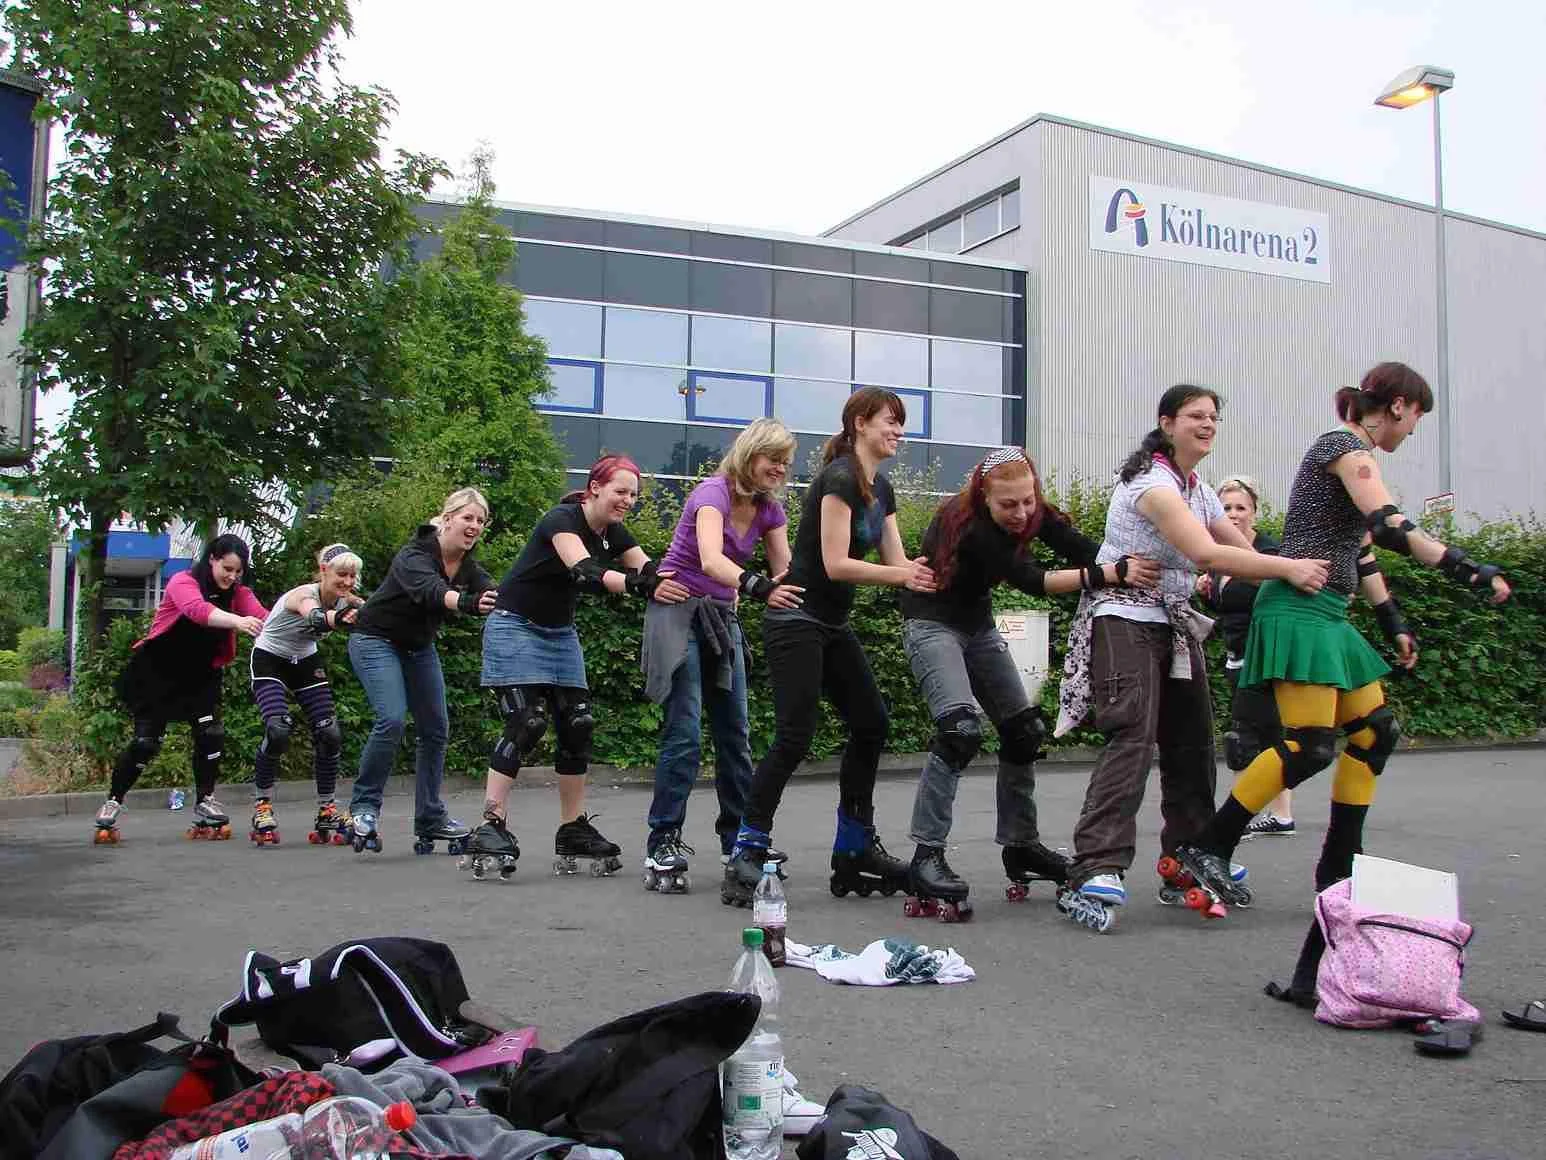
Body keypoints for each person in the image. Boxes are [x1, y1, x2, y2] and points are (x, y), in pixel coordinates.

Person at [1175, 362, 1511, 1003]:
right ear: (1402, 405)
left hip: (1328, 614)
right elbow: (1387, 523)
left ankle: (1339, 868)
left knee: (1375, 732)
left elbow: (1361, 549)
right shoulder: (1345, 447)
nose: (1414, 431)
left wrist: (1393, 618)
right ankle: (1209, 845)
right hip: (1298, 612)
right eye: (1417, 418)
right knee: (1307, 745)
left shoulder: (1354, 457)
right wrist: (1466, 567)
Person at [1052, 385, 1330, 932]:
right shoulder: (1152, 484)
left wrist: (1303, 574)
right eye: (1195, 416)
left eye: (1213, 417)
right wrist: (1290, 569)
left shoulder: (1198, 490)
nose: (1207, 425)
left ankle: (1191, 855)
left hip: (1173, 622)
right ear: (1167, 423)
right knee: (1132, 734)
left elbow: (1244, 554)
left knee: (1192, 742)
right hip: (1125, 617)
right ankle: (1095, 866)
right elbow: (1205, 553)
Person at [899, 446, 1161, 919]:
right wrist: (1112, 575)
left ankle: (1021, 846)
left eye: (1028, 501)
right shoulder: (973, 526)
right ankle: (926, 854)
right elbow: (1032, 580)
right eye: (1008, 505)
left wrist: (1138, 562)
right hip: (931, 625)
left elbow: (1082, 548)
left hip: (977, 627)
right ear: (984, 498)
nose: (1021, 514)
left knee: (1024, 732)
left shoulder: (1031, 512)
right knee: (960, 732)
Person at [721, 387, 937, 908]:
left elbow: (898, 560)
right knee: (795, 735)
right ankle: (746, 852)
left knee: (872, 723)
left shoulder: (879, 488)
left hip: (831, 622)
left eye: (901, 424)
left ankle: (854, 849)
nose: (898, 432)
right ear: (860, 423)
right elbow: (837, 563)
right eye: (891, 421)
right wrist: (905, 576)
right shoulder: (838, 477)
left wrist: (929, 574)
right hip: (796, 618)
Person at [462, 455, 690, 881]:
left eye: (633, 494)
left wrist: (688, 580)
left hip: (558, 633)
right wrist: (639, 585)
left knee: (579, 723)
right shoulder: (561, 519)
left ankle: (572, 829)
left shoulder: (615, 532)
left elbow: (649, 569)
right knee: (526, 723)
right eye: (620, 491)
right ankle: (491, 824)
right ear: (595, 489)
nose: (627, 500)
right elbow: (584, 572)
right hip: (514, 626)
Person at [639, 419, 804, 894]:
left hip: (721, 614)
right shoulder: (711, 493)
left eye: (786, 463)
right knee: (686, 730)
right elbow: (711, 560)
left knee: (736, 732)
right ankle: (663, 839)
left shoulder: (771, 510)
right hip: (677, 611)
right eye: (773, 458)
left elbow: (786, 572)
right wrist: (760, 587)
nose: (780, 469)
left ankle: (741, 840)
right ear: (750, 454)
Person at [346, 488, 496, 855]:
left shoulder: (468, 564)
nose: (474, 526)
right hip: (374, 639)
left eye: (480, 520)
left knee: (435, 728)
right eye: (467, 518)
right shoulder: (414, 555)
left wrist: (510, 597)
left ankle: (429, 816)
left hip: (417, 647)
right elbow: (431, 591)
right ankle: (364, 808)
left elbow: (492, 589)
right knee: (392, 719)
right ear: (446, 519)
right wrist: (467, 603)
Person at [92, 534, 267, 844]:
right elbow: (197, 610)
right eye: (227, 568)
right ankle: (113, 801)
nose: (232, 577)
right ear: (212, 558)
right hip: (158, 671)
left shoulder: (238, 592)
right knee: (146, 742)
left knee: (210, 733)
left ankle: (205, 800)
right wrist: (239, 623)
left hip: (201, 674)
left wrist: (305, 622)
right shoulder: (182, 582)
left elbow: (264, 617)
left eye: (238, 572)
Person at [246, 543, 365, 847]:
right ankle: (262, 805)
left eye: (353, 576)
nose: (348, 582)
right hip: (270, 657)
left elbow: (377, 614)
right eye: (342, 574)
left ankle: (327, 807)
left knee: (330, 733)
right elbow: (313, 617)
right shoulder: (303, 594)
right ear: (324, 571)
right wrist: (338, 619)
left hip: (304, 660)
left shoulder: (347, 600)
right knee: (278, 729)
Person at [1196, 475, 1291, 836]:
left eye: (1240, 508)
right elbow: (1227, 610)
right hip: (1237, 657)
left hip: (1264, 658)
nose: (1232, 515)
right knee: (1266, 736)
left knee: (1245, 738)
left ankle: (1244, 814)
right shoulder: (1219, 559)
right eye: (1225, 508)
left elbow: (1277, 602)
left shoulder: (1267, 554)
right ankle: (1279, 815)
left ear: (1254, 512)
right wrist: (1205, 588)